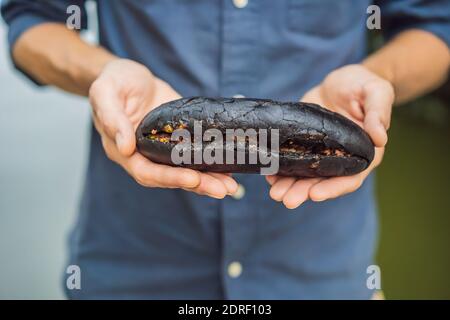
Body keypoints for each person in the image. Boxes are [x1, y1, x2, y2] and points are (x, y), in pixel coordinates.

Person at [2, 0, 449, 299]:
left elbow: (433, 25)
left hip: (322, 271)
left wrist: (380, 77)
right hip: (132, 266)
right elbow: (31, 21)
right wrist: (103, 73)